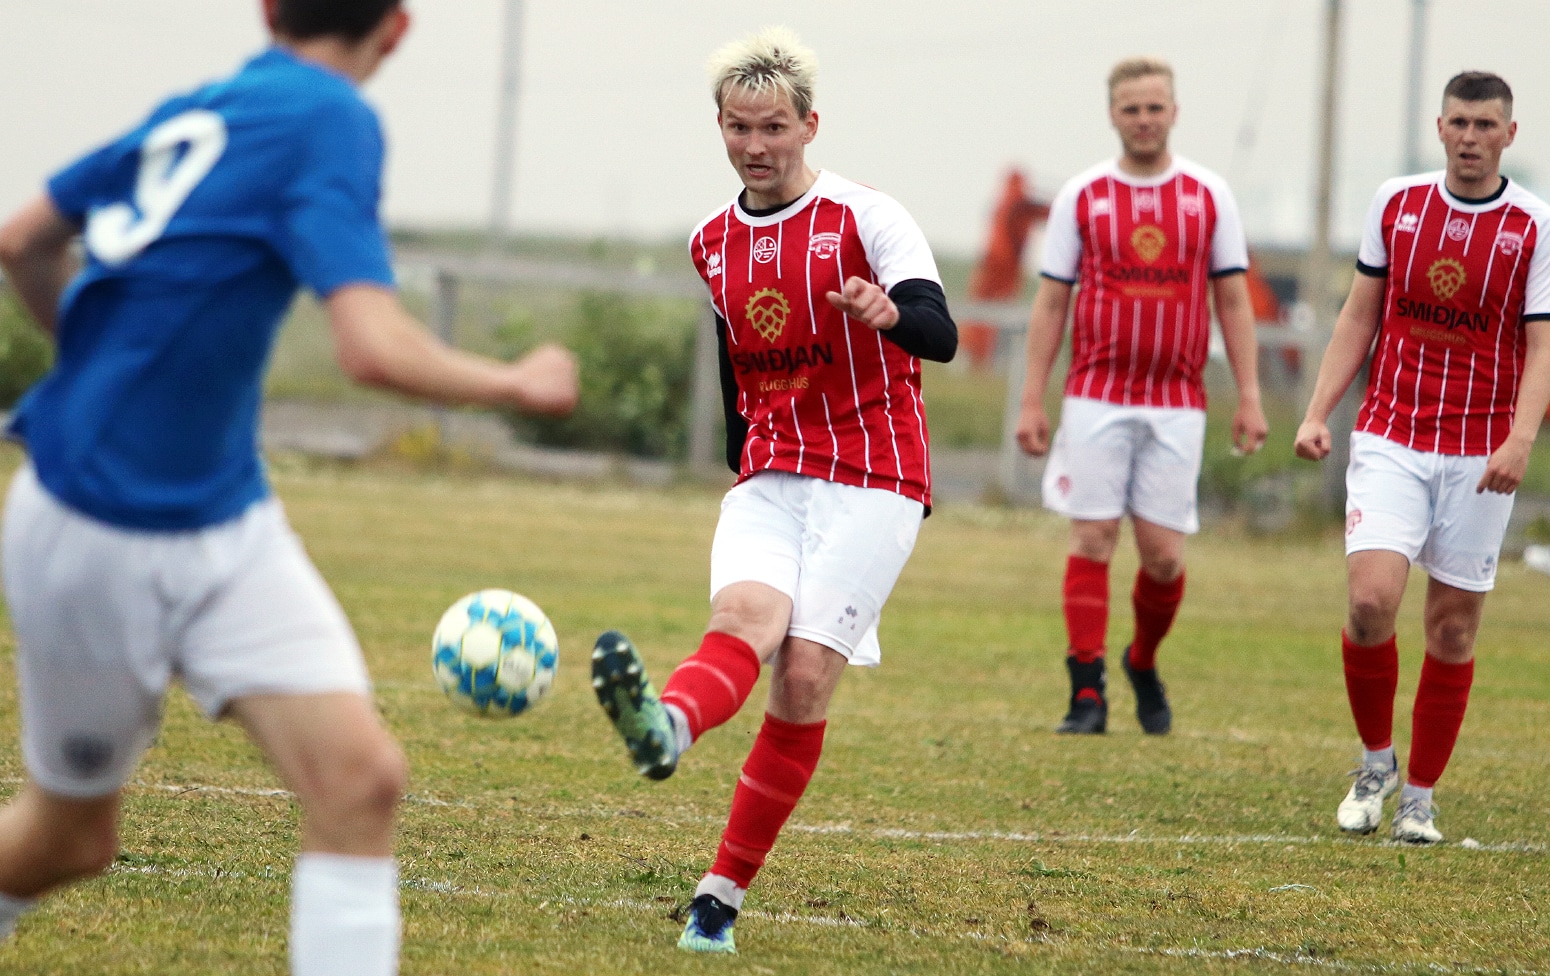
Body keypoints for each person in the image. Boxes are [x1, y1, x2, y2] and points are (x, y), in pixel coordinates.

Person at [0, 1, 577, 972]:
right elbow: (370, 347)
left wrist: (100, 364)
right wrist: (516, 383)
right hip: (97, 518)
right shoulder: (329, 116)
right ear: (396, 29)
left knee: (360, 779)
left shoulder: (205, 106)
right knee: (70, 840)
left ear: (268, 10)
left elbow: (24, 240)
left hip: (227, 518)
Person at [590, 26, 956, 954]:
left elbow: (940, 331)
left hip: (874, 473)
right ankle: (666, 728)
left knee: (800, 678)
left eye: (774, 127)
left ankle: (718, 899)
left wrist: (889, 313)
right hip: (774, 470)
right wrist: (739, 454)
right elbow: (731, 353)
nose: (755, 145)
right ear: (720, 126)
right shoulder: (710, 241)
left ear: (808, 126)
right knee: (744, 619)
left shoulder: (868, 217)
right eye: (738, 127)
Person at [1295, 71, 1550, 845]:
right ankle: (1376, 764)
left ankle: (1421, 800)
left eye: (1486, 125)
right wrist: (1317, 411)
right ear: (1440, 128)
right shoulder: (1396, 204)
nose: (1471, 137)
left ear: (1509, 134)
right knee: (1371, 602)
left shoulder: (1534, 225)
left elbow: (1542, 346)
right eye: (1459, 123)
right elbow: (1359, 316)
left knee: (1452, 629)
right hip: (1392, 435)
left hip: (1480, 451)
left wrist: (1519, 438)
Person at [1015, 57, 1267, 735]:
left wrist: (1249, 394)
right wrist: (1032, 398)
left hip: (1177, 399)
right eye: (1132, 108)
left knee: (1163, 557)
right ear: (1113, 115)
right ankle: (1086, 691)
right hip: (1096, 394)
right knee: (1093, 536)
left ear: (1174, 113)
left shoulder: (1208, 195)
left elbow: (1233, 299)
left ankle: (1142, 660)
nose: (1144, 119)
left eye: (1155, 107)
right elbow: (1051, 303)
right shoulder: (1083, 195)